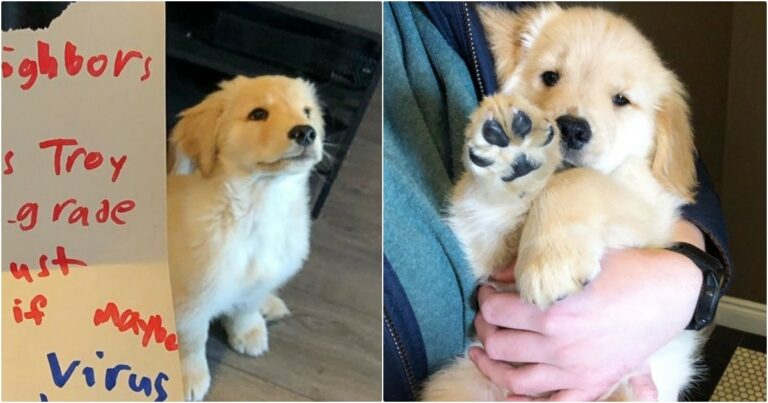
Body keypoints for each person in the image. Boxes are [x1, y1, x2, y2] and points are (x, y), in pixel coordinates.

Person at [382, 2, 732, 401]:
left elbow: (667, 197)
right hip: (483, 371)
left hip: (625, 381)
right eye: (551, 77)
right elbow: (480, 245)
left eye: (620, 99)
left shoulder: (634, 178)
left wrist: (682, 277)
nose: (576, 116)